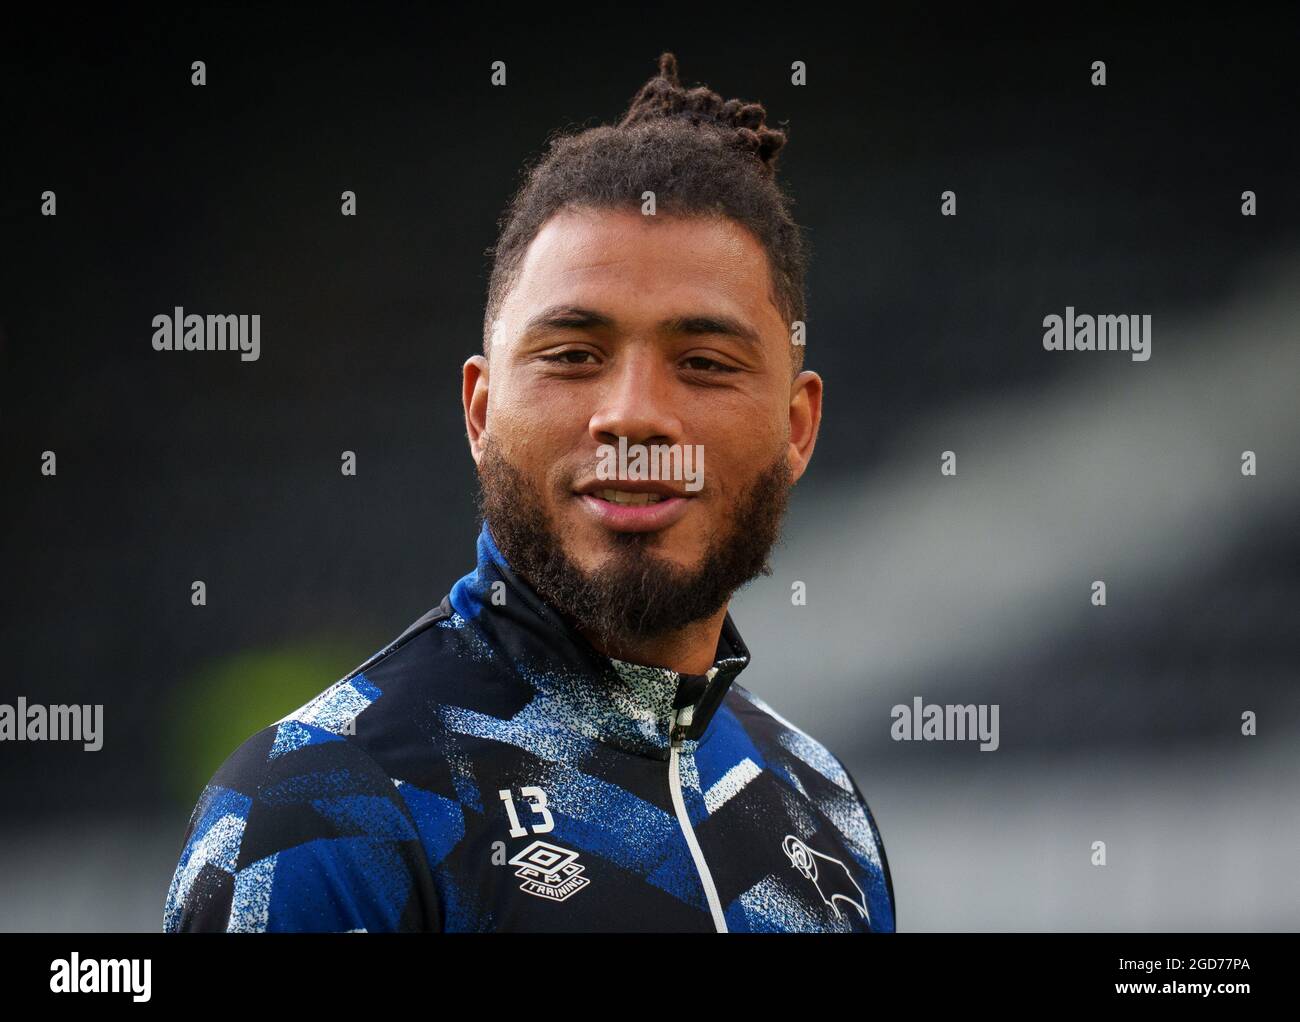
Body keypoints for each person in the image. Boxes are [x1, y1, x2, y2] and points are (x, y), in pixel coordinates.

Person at [164, 52, 895, 933]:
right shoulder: (317, 814)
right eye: (573, 356)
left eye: (704, 363)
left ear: (797, 428)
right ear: (480, 412)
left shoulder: (821, 806)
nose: (633, 418)